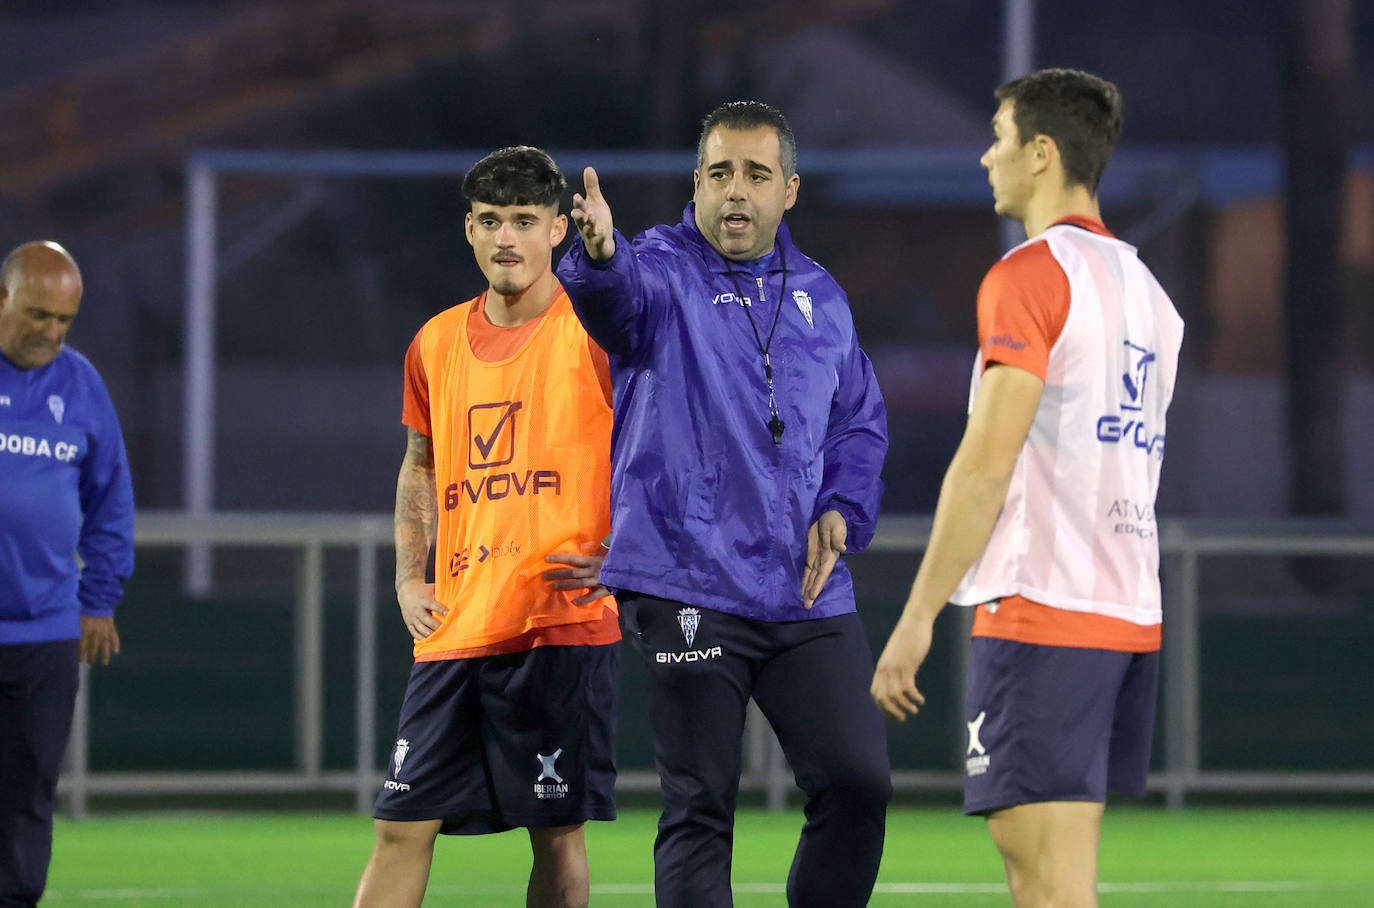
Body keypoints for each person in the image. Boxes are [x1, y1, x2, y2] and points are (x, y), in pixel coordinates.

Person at [558, 100, 891, 908]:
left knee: (859, 783)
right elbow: (614, 300)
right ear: (695, 185)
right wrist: (599, 251)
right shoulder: (660, 269)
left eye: (755, 175)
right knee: (701, 804)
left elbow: (859, 425)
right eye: (718, 174)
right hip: (686, 582)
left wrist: (843, 508)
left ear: (790, 191)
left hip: (802, 589)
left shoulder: (823, 297)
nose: (734, 192)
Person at [871, 69, 1185, 908]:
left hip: (1044, 608)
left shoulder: (1029, 274)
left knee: (1040, 882)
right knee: (1061, 881)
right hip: (1126, 615)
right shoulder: (1152, 296)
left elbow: (986, 460)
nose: (985, 158)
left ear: (1042, 154)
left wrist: (916, 615)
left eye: (1000, 137)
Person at [352, 147, 618, 908]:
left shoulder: (596, 329)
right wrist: (409, 575)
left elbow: (661, 449)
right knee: (400, 825)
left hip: (559, 623)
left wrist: (629, 553)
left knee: (558, 832)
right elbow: (419, 463)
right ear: (469, 229)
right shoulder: (433, 342)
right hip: (457, 623)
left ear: (559, 229)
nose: (508, 238)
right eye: (493, 221)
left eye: (526, 221)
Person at [0, 241, 134, 907]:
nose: (50, 333)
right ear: (3, 299)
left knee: (28, 795)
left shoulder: (80, 384)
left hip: (44, 632)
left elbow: (111, 499)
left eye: (63, 320)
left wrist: (98, 599)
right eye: (37, 316)